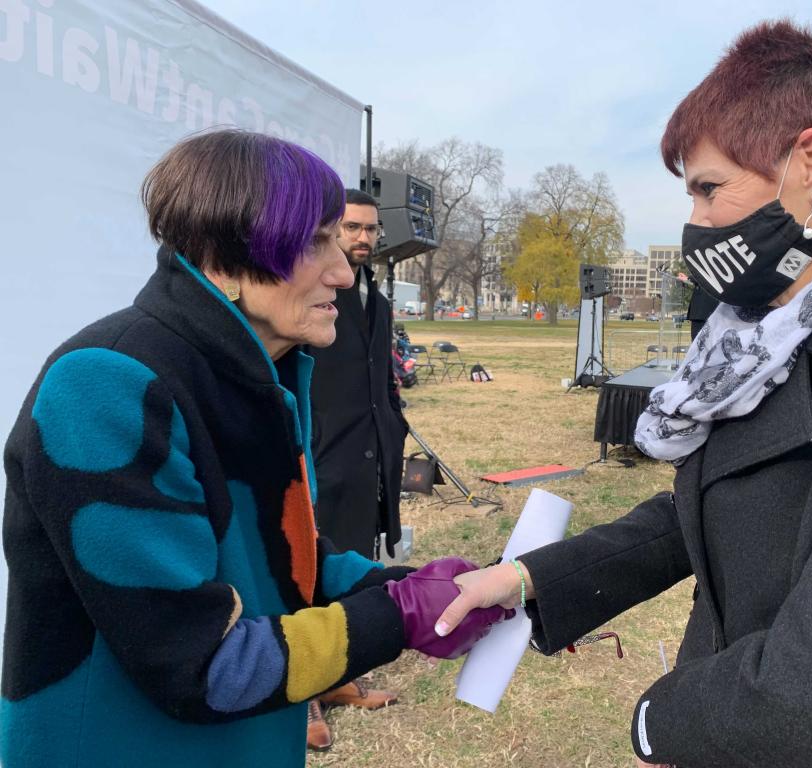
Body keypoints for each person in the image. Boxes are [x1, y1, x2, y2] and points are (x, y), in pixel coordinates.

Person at [438, 21, 812, 767]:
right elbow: (716, 506)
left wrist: (660, 719)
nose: (696, 224)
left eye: (710, 189)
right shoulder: (775, 338)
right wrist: (529, 579)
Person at [0, 129, 508, 768]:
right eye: (315, 242)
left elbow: (281, 564)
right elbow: (201, 664)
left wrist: (417, 584)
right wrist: (398, 614)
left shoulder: (259, 374)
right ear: (225, 261)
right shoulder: (108, 384)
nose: (344, 273)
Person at [305, 188, 411, 741]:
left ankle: (342, 674)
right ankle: (303, 698)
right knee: (307, 572)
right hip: (325, 457)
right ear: (330, 231)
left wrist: (393, 425)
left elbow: (381, 378)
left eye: (370, 229)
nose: (363, 238)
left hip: (373, 458)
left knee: (357, 562)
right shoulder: (312, 291)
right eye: (352, 228)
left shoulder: (379, 297)